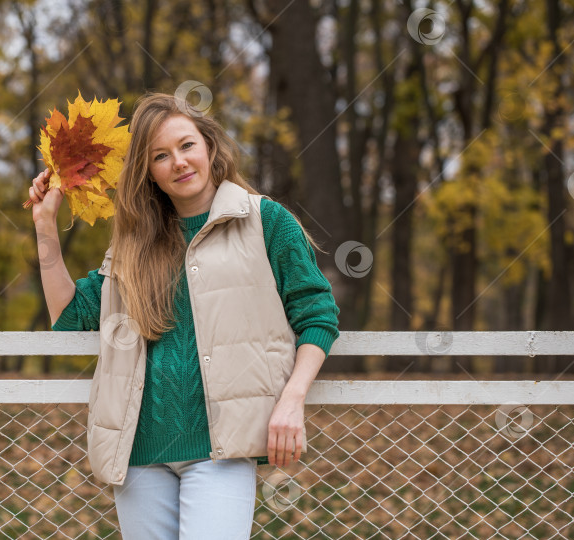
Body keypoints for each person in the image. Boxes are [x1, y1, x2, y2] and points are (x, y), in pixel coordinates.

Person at [27, 92, 340, 540]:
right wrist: (44, 228)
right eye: (160, 156)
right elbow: (72, 313)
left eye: (186, 145)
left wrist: (292, 399)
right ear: (149, 173)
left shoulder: (265, 221)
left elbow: (317, 314)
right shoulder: (134, 246)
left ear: (209, 146)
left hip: (219, 449)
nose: (178, 161)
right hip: (140, 453)